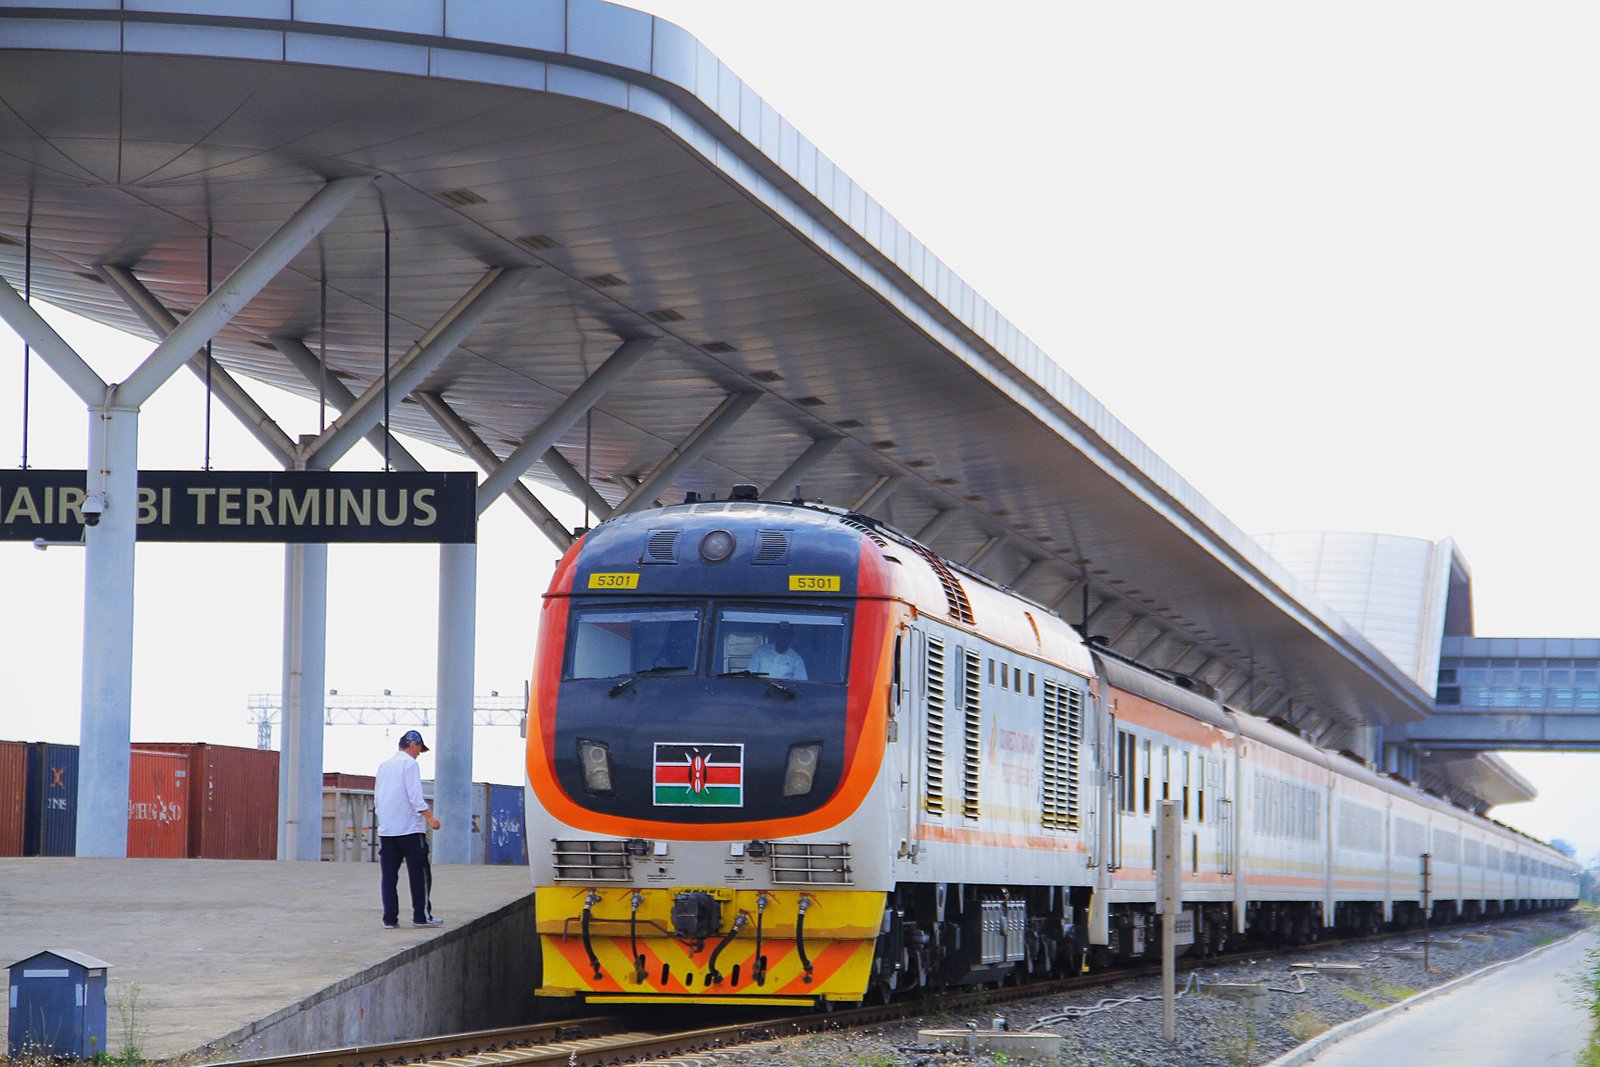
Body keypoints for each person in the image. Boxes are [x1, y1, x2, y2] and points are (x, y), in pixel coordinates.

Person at [376, 729, 443, 929]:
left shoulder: (384, 766)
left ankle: (390, 919)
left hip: (387, 830)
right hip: (410, 830)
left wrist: (385, 819)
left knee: (389, 876)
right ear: (413, 744)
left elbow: (377, 798)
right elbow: (414, 795)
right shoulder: (410, 764)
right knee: (420, 873)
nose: (418, 754)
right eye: (419, 750)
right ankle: (421, 916)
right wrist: (430, 817)